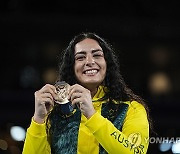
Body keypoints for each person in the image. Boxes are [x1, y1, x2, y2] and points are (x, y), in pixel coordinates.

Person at [22, 32, 150, 154]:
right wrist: (38, 119)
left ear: (107, 63)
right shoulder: (54, 112)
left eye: (97, 55)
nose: (89, 62)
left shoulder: (131, 109)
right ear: (72, 67)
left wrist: (92, 115)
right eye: (81, 57)